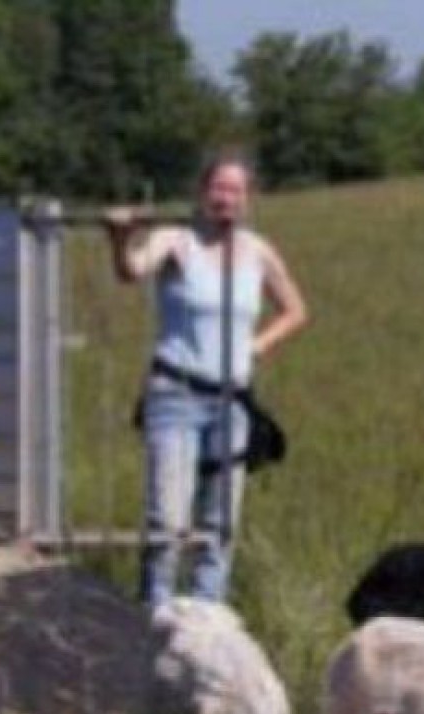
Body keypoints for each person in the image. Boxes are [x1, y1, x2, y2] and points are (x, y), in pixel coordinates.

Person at [101, 153, 308, 609]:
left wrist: (256, 346)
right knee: (168, 519)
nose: (226, 199)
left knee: (220, 522)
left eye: (236, 191)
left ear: (248, 200)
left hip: (232, 401)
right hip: (176, 392)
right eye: (219, 188)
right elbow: (131, 271)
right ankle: (155, 613)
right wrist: (120, 238)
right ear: (202, 192)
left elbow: (295, 310)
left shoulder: (258, 251)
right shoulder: (175, 241)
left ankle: (207, 618)